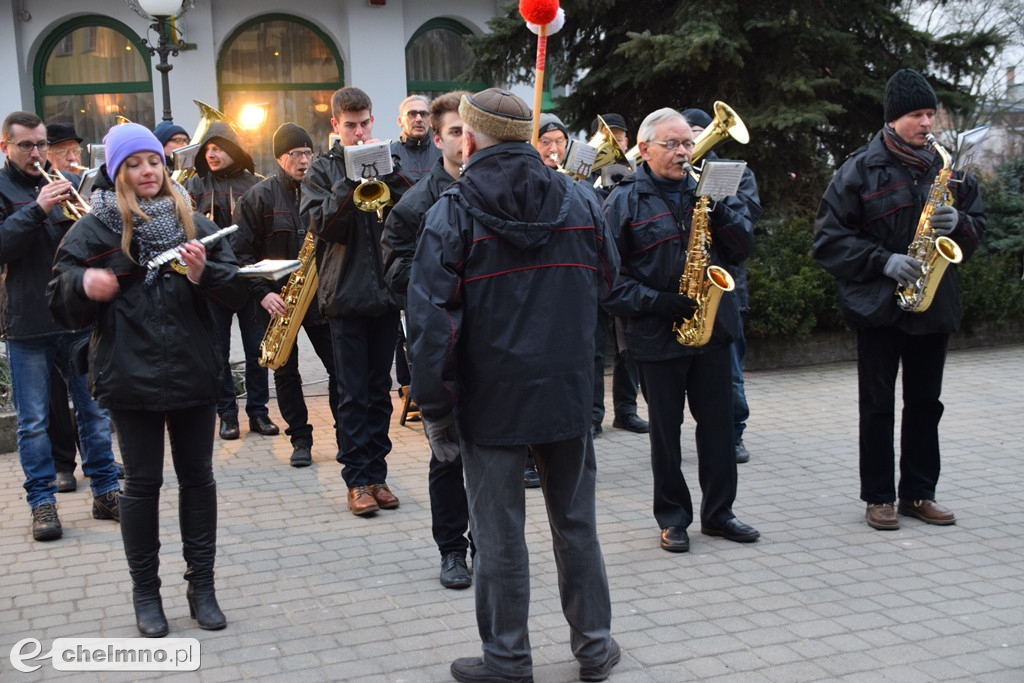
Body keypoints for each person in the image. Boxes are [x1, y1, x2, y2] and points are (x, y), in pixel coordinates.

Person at [407, 88, 621, 683]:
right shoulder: (579, 199)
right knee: (576, 525)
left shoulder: (451, 211)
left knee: (499, 535)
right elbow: (610, 284)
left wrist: (436, 408)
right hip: (568, 391)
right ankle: (595, 650)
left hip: (491, 399)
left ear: (469, 138)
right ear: (527, 136)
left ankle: (507, 659)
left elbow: (429, 328)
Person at [48, 122, 246, 637]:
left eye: (153, 161)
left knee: (198, 480)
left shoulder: (195, 222)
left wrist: (205, 275)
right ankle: (146, 593)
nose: (146, 172)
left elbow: (235, 292)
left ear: (165, 164)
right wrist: (81, 284)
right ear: (117, 173)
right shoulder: (93, 229)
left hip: (194, 371)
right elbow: (58, 295)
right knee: (142, 485)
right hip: (129, 374)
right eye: (134, 164)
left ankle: (202, 588)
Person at [812, 68, 985, 531]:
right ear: (892, 119)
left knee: (926, 403)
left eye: (931, 113)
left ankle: (918, 493)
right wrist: (882, 261)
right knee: (877, 404)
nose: (927, 123)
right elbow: (827, 241)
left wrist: (960, 224)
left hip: (933, 303)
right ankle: (879, 497)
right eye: (916, 115)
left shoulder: (949, 168)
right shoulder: (858, 169)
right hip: (878, 306)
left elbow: (977, 230)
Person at [603, 107, 759, 553]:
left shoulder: (707, 189)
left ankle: (720, 513)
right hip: (655, 334)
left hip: (711, 329)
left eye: (687, 143)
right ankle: (673, 518)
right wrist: (661, 303)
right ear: (645, 149)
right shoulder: (624, 199)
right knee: (665, 434)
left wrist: (720, 211)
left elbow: (742, 248)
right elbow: (608, 281)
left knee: (718, 428)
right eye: (672, 144)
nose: (684, 152)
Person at [0, 110, 121, 542]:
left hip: (74, 318)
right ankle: (42, 503)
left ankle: (106, 491)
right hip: (28, 322)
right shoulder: (4, 189)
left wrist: (87, 213)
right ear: (5, 147)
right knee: (33, 422)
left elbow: (89, 246)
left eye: (40, 145)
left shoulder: (64, 183)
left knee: (94, 411)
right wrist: (37, 209)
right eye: (26, 146)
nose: (36, 154)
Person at [300, 86, 413, 516]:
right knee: (350, 394)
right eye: (350, 125)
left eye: (365, 123)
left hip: (384, 294)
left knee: (378, 391)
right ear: (336, 126)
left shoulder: (389, 161)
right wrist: (351, 178)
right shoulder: (321, 171)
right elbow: (322, 226)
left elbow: (409, 212)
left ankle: (378, 475)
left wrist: (389, 173)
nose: (359, 131)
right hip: (344, 296)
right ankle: (356, 480)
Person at [381, 90, 472, 589]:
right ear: (437, 140)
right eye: (455, 132)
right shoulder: (416, 203)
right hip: (442, 352)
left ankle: (491, 542)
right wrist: (444, 275)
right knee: (448, 457)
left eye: (469, 130)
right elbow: (394, 275)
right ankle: (452, 549)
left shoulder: (494, 188)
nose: (464, 140)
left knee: (493, 454)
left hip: (492, 347)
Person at [232, 123, 341, 468]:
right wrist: (262, 293)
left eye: (309, 153)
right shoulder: (258, 197)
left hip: (320, 296)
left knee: (340, 367)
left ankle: (346, 435)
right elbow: (240, 254)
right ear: (281, 158)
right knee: (285, 371)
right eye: (296, 154)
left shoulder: (323, 190)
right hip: (278, 300)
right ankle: (300, 438)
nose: (305, 160)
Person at [185, 121, 278, 441]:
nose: (212, 153)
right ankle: (227, 415)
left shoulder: (256, 185)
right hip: (212, 285)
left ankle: (259, 413)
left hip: (250, 283)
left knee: (257, 351)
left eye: (218, 147)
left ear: (233, 150)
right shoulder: (194, 187)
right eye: (208, 148)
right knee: (216, 353)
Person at [681, 107, 763, 464]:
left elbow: (747, 223)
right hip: (684, 289)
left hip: (726, 288)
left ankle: (733, 434)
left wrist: (712, 192)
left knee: (729, 373)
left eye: (701, 131)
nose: (695, 139)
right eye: (687, 133)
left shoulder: (735, 173)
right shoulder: (672, 174)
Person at [589, 112, 649, 438]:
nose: (615, 140)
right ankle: (594, 415)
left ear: (627, 140)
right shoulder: (585, 177)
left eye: (619, 136)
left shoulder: (636, 174)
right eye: (607, 135)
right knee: (596, 347)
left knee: (629, 348)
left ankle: (626, 411)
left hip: (626, 270)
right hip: (598, 272)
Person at [389, 94, 441, 183]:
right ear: (400, 121)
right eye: (412, 114)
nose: (419, 119)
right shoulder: (389, 154)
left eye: (424, 114)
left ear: (431, 121)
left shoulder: (443, 152)